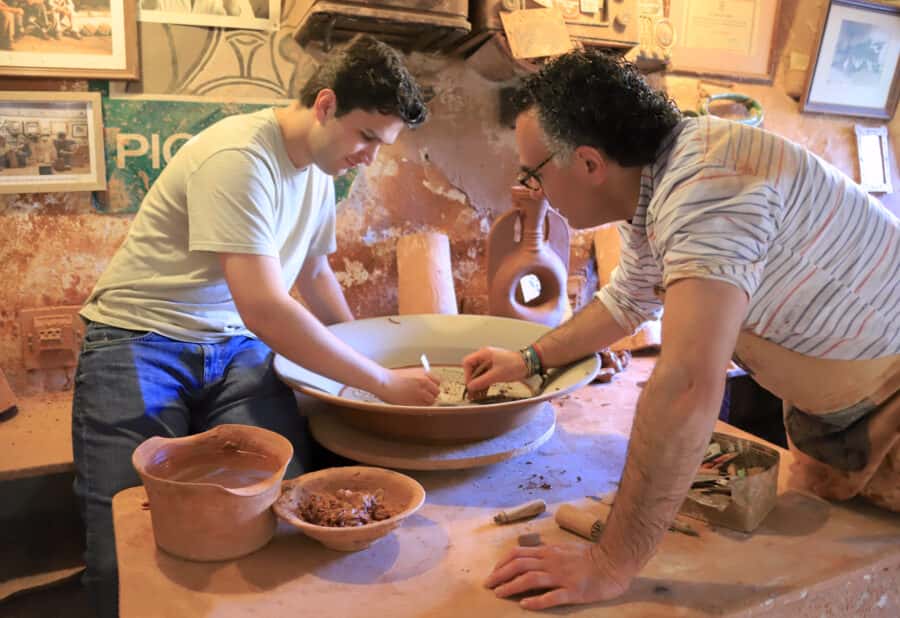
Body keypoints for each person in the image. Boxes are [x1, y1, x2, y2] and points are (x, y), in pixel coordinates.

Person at [467, 49, 900, 610]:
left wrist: (609, 563)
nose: (535, 188)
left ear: (590, 163)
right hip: (838, 420)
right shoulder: (659, 181)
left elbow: (688, 388)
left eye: (534, 172)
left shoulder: (707, 187)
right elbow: (628, 300)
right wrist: (528, 360)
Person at [73, 35, 438, 618]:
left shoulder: (321, 169)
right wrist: (379, 382)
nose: (370, 156)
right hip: (139, 337)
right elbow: (265, 307)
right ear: (325, 105)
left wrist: (366, 365)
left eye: (383, 144)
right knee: (129, 521)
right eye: (367, 136)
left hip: (234, 347)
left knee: (287, 501)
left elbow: (315, 274)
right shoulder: (240, 157)